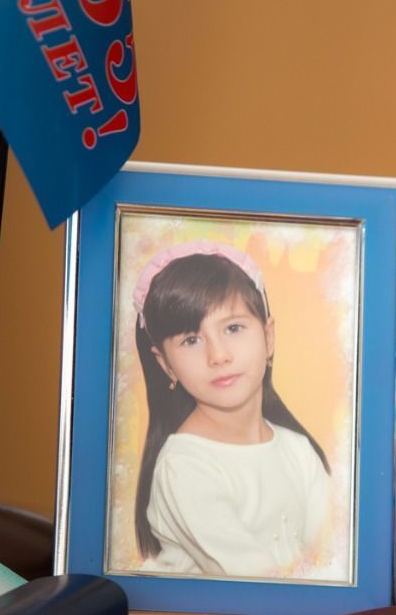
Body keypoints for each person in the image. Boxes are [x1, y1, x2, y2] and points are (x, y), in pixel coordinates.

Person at [130, 240, 332, 578]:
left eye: (233, 328)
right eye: (191, 340)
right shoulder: (185, 466)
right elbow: (253, 579)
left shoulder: (298, 450)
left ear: (268, 337)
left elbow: (332, 554)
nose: (218, 355)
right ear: (165, 364)